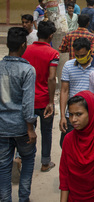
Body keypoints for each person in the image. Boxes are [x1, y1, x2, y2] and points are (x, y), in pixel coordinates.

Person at [0, 27, 37, 202]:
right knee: (28, 160)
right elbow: (28, 102)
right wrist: (30, 127)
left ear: (7, 44)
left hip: (3, 127)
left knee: (4, 167)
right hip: (22, 127)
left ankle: (5, 198)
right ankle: (24, 198)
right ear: (24, 45)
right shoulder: (27, 70)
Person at [22, 21, 59, 172]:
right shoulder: (52, 53)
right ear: (51, 36)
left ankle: (21, 158)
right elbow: (51, 78)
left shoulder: (25, 50)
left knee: (27, 130)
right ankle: (45, 162)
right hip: (44, 100)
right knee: (46, 131)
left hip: (28, 99)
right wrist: (51, 101)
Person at [59, 37, 94, 146]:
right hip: (73, 114)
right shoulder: (68, 66)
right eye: (77, 56)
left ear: (90, 52)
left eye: (83, 56)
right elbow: (64, 91)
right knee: (67, 144)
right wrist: (63, 116)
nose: (80, 58)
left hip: (92, 114)